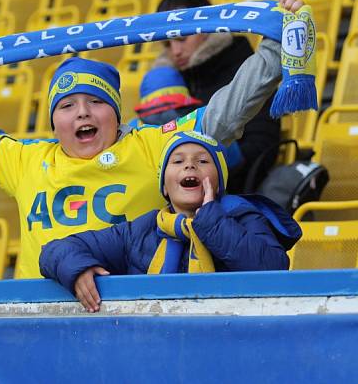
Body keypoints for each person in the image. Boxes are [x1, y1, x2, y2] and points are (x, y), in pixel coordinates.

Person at [0, 0, 308, 278]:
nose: (82, 114)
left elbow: (231, 107)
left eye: (94, 103)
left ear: (116, 114)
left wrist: (277, 42)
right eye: (66, 106)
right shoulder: (24, 160)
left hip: (129, 315)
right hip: (35, 317)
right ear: (53, 123)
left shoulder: (154, 145)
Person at [40, 130, 301, 312]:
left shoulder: (242, 215)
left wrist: (210, 220)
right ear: (164, 187)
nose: (190, 166)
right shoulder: (140, 231)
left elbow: (272, 268)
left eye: (202, 161)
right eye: (177, 161)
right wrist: (77, 270)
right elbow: (54, 249)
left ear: (219, 182)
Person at [155, 0, 281, 193]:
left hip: (239, 189)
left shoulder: (244, 67)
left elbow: (262, 144)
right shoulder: (167, 80)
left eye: (181, 39)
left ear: (205, 30)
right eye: (167, 44)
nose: (175, 51)